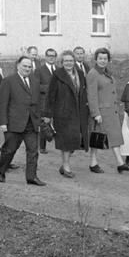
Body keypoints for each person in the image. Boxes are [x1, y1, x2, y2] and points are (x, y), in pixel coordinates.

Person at [0, 56, 46, 186]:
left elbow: (37, 103)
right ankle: (1, 171)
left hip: (31, 124)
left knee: (33, 151)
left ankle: (31, 177)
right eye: (24, 66)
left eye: (29, 67)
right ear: (18, 65)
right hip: (14, 124)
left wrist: (38, 120)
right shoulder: (8, 81)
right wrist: (3, 122)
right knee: (9, 150)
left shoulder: (34, 82)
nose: (27, 69)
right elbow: (2, 103)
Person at [42, 50, 89, 178]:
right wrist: (47, 115)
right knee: (66, 141)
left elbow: (83, 93)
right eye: (66, 61)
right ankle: (66, 166)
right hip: (63, 113)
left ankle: (65, 164)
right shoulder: (57, 75)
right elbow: (50, 96)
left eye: (71, 61)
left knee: (75, 139)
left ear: (74, 62)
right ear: (62, 62)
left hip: (78, 112)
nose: (69, 63)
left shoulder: (79, 73)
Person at [86, 47, 129, 173]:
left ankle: (120, 163)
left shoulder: (107, 72)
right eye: (100, 58)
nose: (102, 61)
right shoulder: (92, 74)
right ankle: (93, 163)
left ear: (108, 60)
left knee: (114, 137)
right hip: (101, 113)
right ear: (96, 59)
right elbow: (92, 95)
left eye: (105, 58)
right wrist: (95, 113)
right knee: (97, 138)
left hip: (111, 111)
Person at [34, 47, 58, 154]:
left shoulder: (59, 69)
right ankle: (42, 147)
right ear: (45, 57)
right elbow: (36, 86)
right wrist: (49, 88)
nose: (51, 58)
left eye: (53, 56)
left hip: (58, 100)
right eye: (49, 56)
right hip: (44, 100)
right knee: (44, 123)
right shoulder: (39, 70)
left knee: (58, 122)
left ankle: (59, 143)